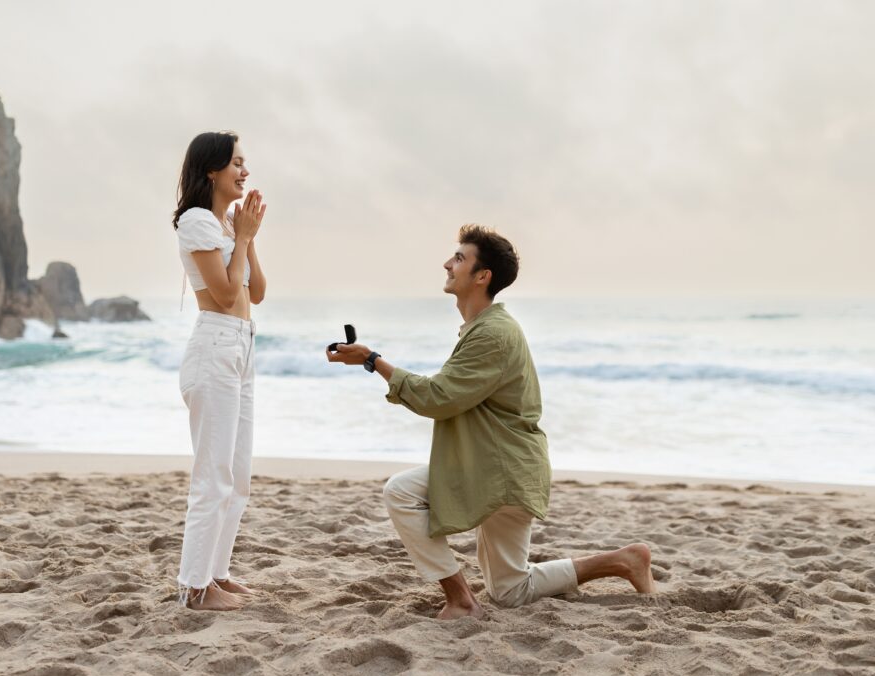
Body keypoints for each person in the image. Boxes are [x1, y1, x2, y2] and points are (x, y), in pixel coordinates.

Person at [326, 225, 655, 619]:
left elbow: (437, 398)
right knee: (511, 591)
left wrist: (371, 360)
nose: (448, 264)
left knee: (401, 491)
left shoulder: (493, 334)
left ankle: (461, 600)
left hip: (500, 469)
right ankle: (623, 561)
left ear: (483, 276)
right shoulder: (484, 328)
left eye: (460, 258)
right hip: (504, 465)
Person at [172, 131, 267, 611]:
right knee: (213, 475)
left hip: (242, 348)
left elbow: (259, 291)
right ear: (212, 169)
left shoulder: (226, 226)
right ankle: (194, 588)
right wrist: (242, 235)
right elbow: (228, 297)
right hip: (214, 346)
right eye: (236, 163)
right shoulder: (194, 222)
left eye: (245, 162)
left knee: (239, 474)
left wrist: (244, 235)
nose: (244, 171)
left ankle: (217, 574)